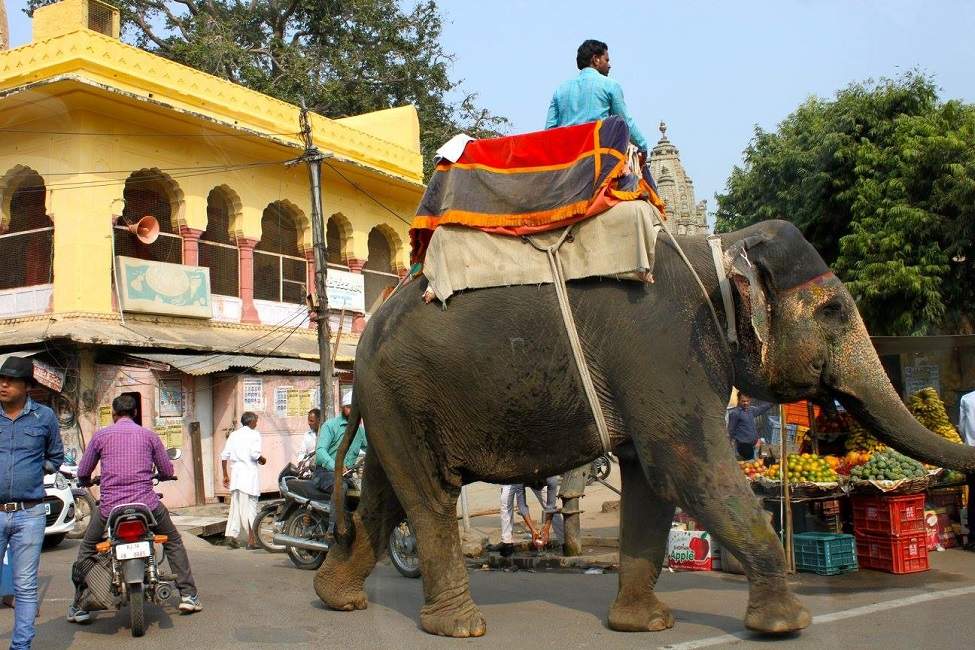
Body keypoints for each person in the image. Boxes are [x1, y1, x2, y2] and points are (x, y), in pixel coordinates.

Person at [68, 393, 201, 623]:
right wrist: (163, 475)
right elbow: (167, 470)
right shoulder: (149, 436)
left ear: (113, 414)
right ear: (136, 413)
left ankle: (80, 606)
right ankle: (188, 595)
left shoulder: (101, 436)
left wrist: (87, 481)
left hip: (111, 508)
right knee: (173, 541)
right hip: (147, 505)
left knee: (87, 550)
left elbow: (83, 472)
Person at [0, 356, 64, 648]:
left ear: (26, 386)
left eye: (10, 380)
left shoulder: (44, 417)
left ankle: (21, 646)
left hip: (30, 513)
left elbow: (56, 456)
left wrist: (35, 470)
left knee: (25, 587)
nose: (3, 384)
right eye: (1, 379)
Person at [545, 39, 650, 160]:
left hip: (566, 160)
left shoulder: (560, 90)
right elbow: (626, 122)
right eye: (607, 60)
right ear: (596, 60)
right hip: (596, 159)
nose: (609, 65)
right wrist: (643, 146)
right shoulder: (610, 85)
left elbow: (549, 131)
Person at [221, 412, 265, 550]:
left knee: (236, 508)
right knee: (250, 509)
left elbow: (224, 456)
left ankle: (232, 536)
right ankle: (252, 541)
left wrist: (225, 475)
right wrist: (263, 459)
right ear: (251, 422)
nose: (257, 423)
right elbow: (255, 454)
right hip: (248, 477)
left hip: (236, 477)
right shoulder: (254, 434)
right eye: (256, 421)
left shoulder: (234, 435)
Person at [315, 393, 366, 493]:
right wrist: (336, 466)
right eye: (349, 407)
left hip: (347, 475)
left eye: (356, 408)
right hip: (325, 473)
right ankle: (336, 509)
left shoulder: (360, 431)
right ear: (342, 408)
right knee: (341, 487)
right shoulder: (330, 425)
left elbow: (372, 450)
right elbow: (320, 451)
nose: (353, 411)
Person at [728, 393, 773, 461]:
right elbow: (730, 430)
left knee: (756, 463)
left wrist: (772, 403)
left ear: (750, 400)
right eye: (743, 401)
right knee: (749, 463)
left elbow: (761, 409)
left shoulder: (750, 410)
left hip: (754, 444)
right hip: (744, 446)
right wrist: (729, 443)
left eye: (747, 401)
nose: (746, 403)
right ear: (739, 400)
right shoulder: (735, 413)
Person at [959, 389, 975, 551]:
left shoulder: (967, 399)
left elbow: (962, 428)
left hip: (971, 453)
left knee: (974, 495)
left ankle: (973, 537)